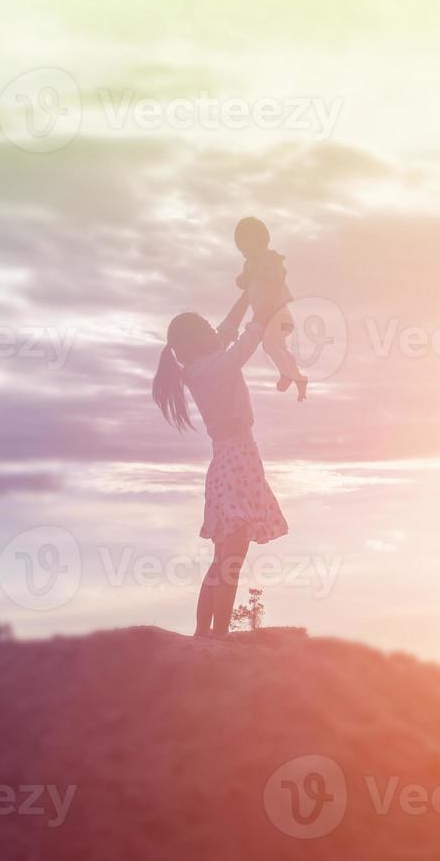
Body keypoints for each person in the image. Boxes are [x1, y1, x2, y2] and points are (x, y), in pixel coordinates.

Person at [151, 293, 289, 637]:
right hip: (237, 463)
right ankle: (218, 637)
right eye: (207, 329)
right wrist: (268, 303)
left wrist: (248, 295)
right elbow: (246, 341)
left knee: (221, 561)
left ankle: (204, 635)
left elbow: (228, 330)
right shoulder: (214, 368)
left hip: (229, 462)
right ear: (198, 341)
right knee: (231, 562)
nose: (216, 329)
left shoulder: (202, 365)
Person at [234, 216, 308, 401]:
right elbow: (243, 281)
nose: (244, 254)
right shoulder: (249, 265)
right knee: (277, 346)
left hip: (279, 315)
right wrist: (243, 278)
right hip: (272, 320)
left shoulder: (271, 259)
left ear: (260, 242)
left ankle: (287, 374)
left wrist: (255, 272)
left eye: (246, 248)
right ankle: (298, 377)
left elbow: (275, 278)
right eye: (241, 250)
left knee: (270, 344)